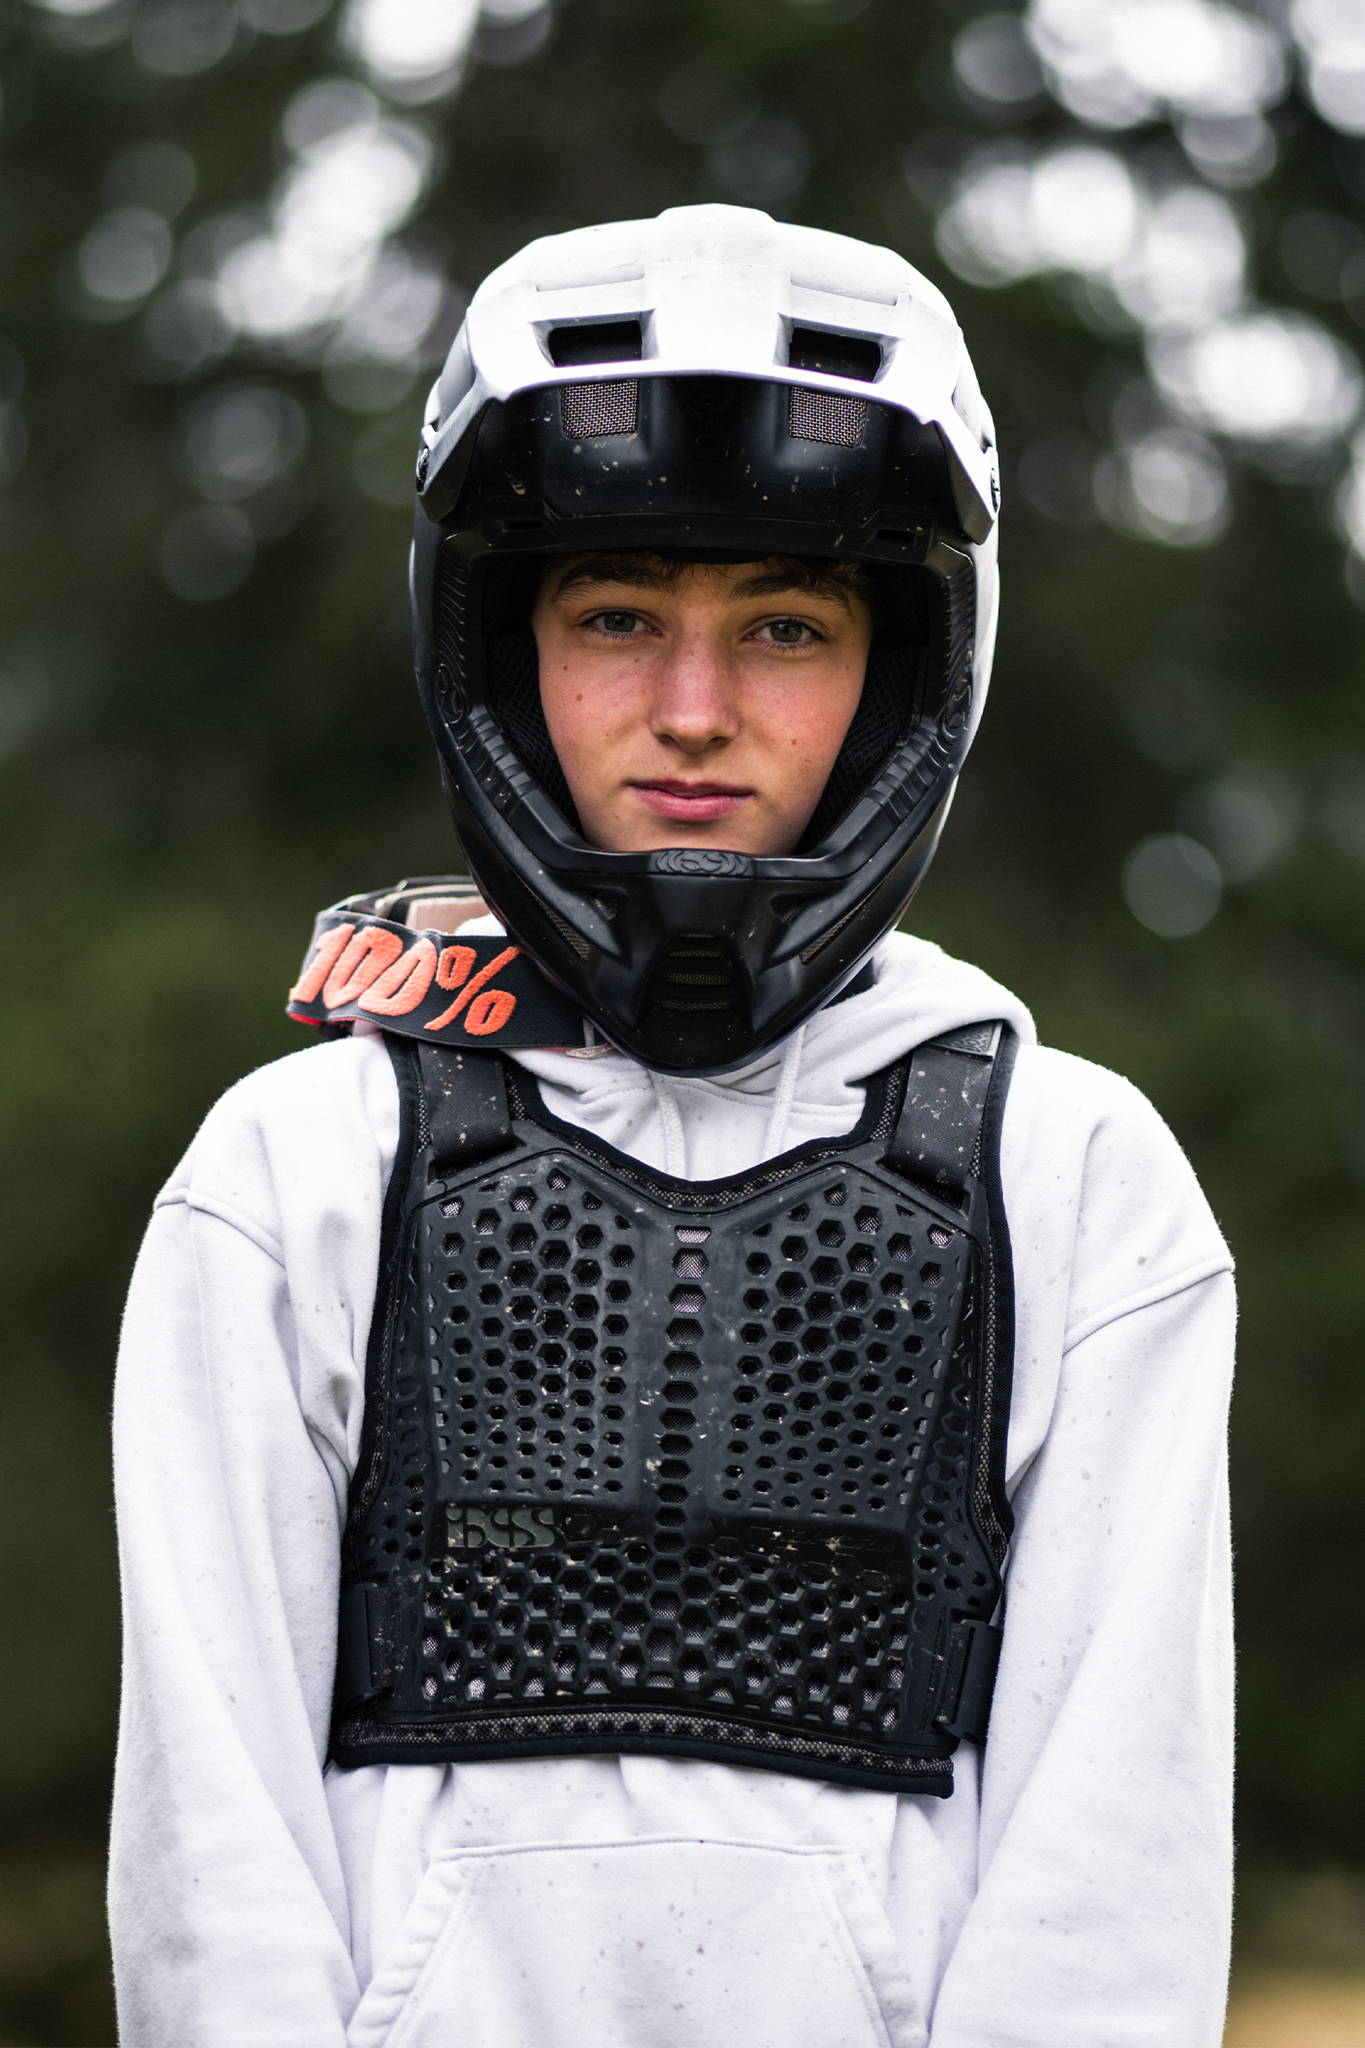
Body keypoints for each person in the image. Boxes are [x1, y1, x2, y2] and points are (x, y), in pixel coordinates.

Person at [109, 205, 1235, 2047]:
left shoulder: (1079, 1187)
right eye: (617, 616)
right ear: (499, 647)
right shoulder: (295, 1176)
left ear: (905, 671)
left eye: (784, 626)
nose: (693, 713)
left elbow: (1111, 1894)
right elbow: (207, 1871)